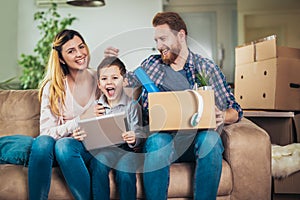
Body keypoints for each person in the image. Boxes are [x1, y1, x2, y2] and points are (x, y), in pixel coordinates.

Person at [104, 12, 243, 200]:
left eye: (163, 39)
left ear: (181, 36)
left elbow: (235, 108)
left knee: (211, 140)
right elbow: (122, 82)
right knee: (156, 143)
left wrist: (223, 116)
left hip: (196, 140)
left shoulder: (206, 68)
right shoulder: (152, 65)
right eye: (156, 40)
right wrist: (111, 64)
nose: (159, 46)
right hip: (162, 139)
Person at [28, 29, 100, 200]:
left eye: (81, 47)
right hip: (62, 146)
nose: (80, 54)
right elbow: (46, 133)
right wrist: (78, 122)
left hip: (92, 145)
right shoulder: (53, 87)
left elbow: (113, 115)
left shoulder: (101, 79)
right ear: (61, 58)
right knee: (42, 142)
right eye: (71, 51)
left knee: (65, 146)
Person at [89, 56, 145, 200]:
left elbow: (139, 132)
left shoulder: (132, 106)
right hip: (104, 150)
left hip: (126, 151)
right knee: (98, 163)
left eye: (115, 78)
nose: (109, 82)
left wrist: (134, 138)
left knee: (125, 170)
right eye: (104, 79)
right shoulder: (96, 107)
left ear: (124, 81)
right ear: (99, 84)